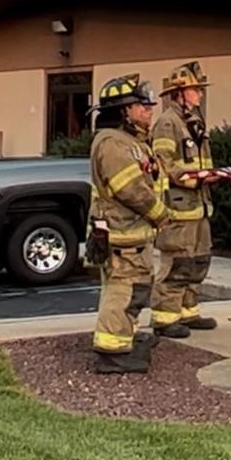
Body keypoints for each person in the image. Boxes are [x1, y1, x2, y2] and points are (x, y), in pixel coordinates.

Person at [86, 74, 171, 374]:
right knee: (123, 290)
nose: (149, 109)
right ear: (123, 111)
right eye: (141, 105)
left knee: (135, 288)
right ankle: (112, 352)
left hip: (132, 235)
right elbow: (132, 189)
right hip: (120, 236)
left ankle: (126, 336)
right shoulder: (112, 143)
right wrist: (161, 213)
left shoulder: (131, 142)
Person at [149, 61, 224, 338]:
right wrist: (197, 177)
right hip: (179, 207)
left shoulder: (193, 121)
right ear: (180, 93)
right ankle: (164, 317)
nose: (200, 95)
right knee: (178, 262)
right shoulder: (167, 123)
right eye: (196, 90)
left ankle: (188, 311)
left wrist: (213, 175)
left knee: (199, 259)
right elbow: (164, 163)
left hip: (199, 205)